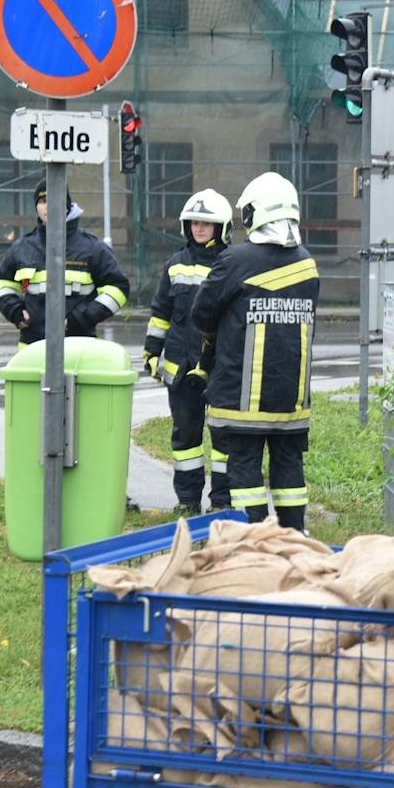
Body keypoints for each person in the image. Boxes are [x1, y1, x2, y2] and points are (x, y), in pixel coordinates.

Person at [189, 172, 319, 532]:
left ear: (255, 214)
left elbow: (202, 313)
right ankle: (294, 534)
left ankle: (254, 534)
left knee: (244, 466)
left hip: (242, 397)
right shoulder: (308, 263)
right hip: (292, 399)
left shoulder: (236, 259)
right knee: (289, 467)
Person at [144, 190, 235, 514]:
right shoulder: (175, 264)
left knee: (224, 439)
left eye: (206, 223)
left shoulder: (231, 263)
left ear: (221, 227)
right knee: (185, 439)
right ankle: (187, 500)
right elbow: (160, 313)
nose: (199, 228)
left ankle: (222, 501)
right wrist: (151, 351)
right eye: (194, 222)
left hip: (220, 369)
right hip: (181, 368)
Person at [0, 182, 129, 344]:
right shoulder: (22, 247)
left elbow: (118, 289)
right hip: (31, 347)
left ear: (67, 206)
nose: (48, 206)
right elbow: (3, 284)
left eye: (54, 199)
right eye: (42, 201)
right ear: (36, 207)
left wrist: (81, 319)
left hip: (79, 346)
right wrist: (14, 310)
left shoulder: (93, 248)